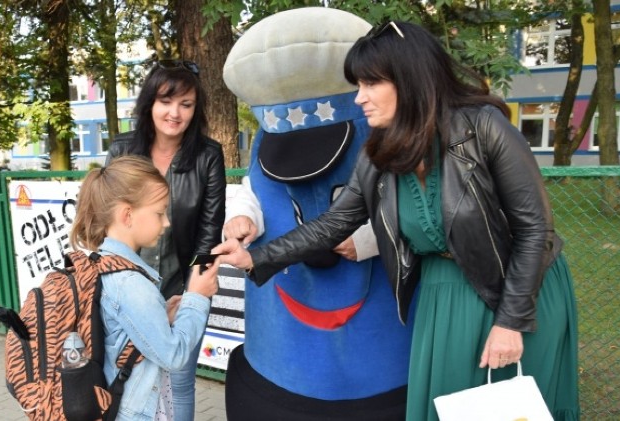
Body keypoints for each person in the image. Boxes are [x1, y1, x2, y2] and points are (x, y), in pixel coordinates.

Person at [214, 21, 579, 421]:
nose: (360, 97)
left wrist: (511, 321)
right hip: (447, 291)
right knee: (453, 407)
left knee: (512, 406)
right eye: (358, 85)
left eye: (371, 84)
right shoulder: (379, 152)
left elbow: (535, 232)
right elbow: (333, 224)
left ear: (409, 79)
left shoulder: (483, 128)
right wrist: (258, 258)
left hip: (520, 286)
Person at [220, 8, 412, 420]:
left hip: (379, 363)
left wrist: (367, 239)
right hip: (279, 353)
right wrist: (242, 216)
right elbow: (256, 190)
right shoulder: (264, 143)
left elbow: (416, 211)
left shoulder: (388, 139)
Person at [104, 59, 226, 421]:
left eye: (186, 104)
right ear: (149, 104)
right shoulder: (122, 150)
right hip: (129, 290)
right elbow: (107, 225)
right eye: (166, 101)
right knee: (128, 379)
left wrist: (191, 296)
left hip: (181, 287)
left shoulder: (208, 155)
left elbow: (208, 232)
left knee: (179, 379)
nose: (175, 113)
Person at [69, 156, 220, 421]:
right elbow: (174, 355)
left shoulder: (103, 262)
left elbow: (121, 334)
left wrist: (162, 316)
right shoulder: (130, 282)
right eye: (159, 213)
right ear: (127, 215)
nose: (167, 223)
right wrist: (197, 297)